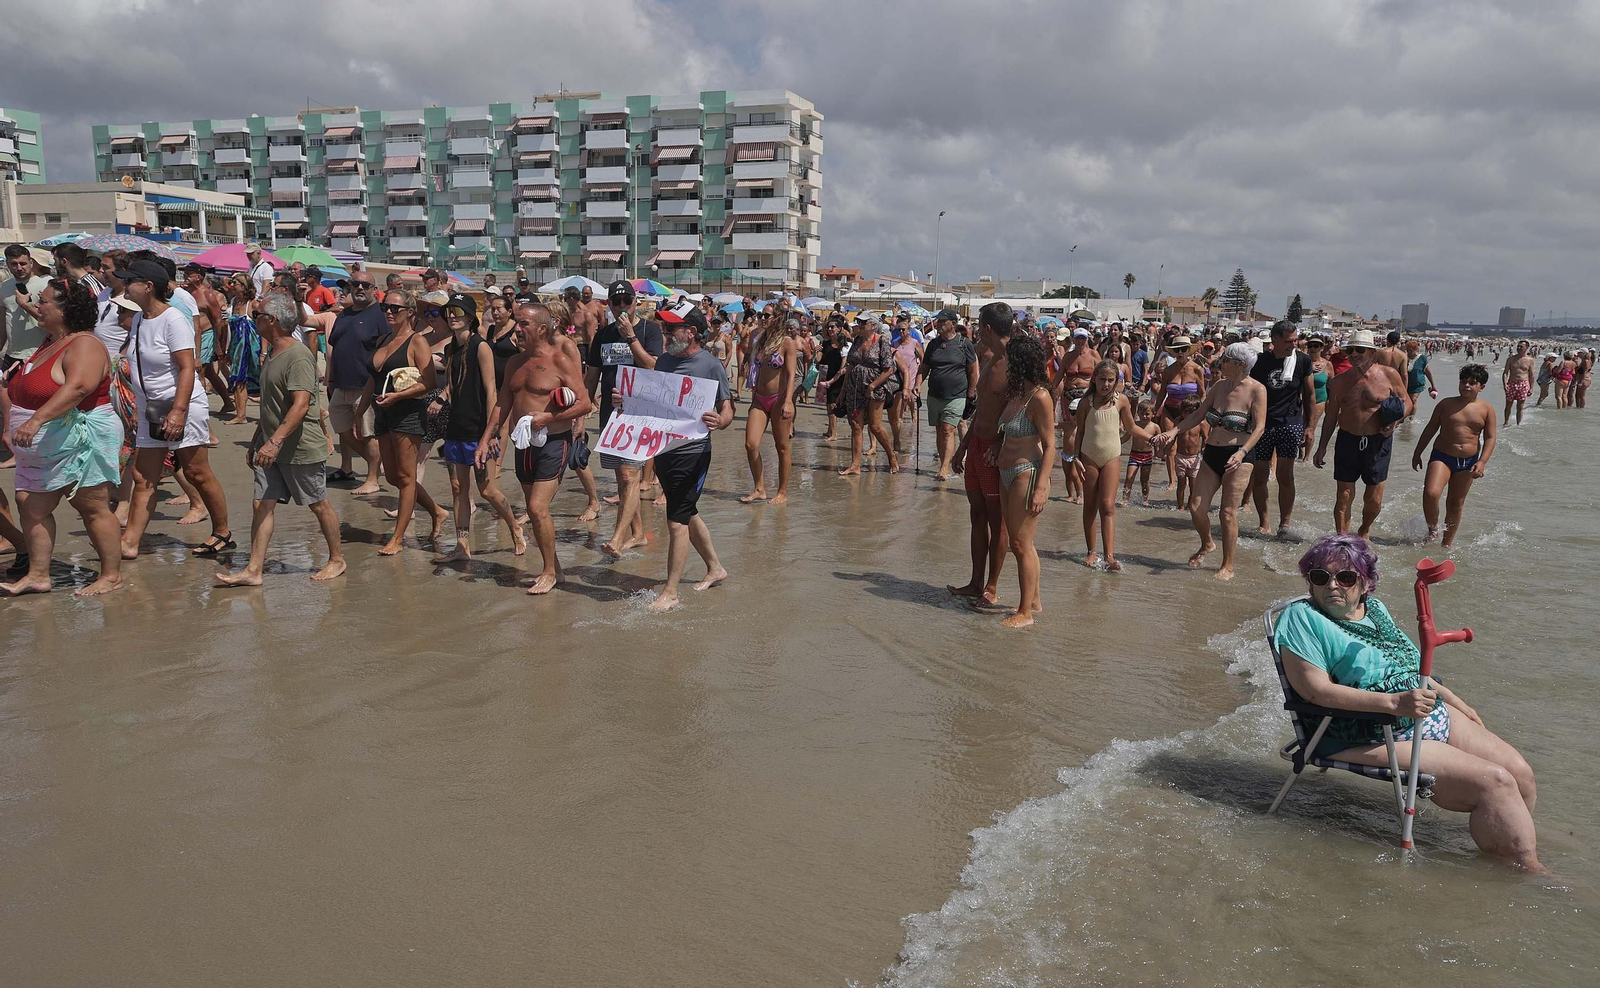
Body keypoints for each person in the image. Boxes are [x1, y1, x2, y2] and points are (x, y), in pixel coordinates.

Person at [1275, 534, 1541, 870]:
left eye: (1345, 577)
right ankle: (1526, 874)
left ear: (1365, 582)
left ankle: (1510, 850)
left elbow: (1410, 668)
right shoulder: (1301, 619)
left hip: (1418, 710)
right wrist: (1392, 704)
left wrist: (1454, 700)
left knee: (1520, 773)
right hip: (1364, 732)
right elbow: (1316, 692)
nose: (1332, 585)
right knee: (1496, 783)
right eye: (1320, 576)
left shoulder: (1375, 609)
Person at [0, 278, 124, 596]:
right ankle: (38, 575)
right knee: (30, 504)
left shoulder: (84, 343)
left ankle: (111, 575)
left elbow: (79, 387)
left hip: (80, 437)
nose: (36, 306)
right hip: (44, 443)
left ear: (66, 309)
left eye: (43, 301)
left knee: (91, 505)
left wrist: (35, 421)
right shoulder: (51, 340)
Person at [214, 293, 345, 586]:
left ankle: (337, 559)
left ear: (271, 320)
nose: (253, 319)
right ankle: (254, 569)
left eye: (257, 315)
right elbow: (271, 404)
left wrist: (273, 442)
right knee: (261, 503)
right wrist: (257, 439)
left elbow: (301, 405)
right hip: (271, 443)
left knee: (318, 503)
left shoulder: (298, 356)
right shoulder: (273, 353)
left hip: (299, 445)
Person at [116, 259, 233, 559]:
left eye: (129, 281)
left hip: (183, 405)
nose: (124, 285)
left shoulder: (173, 320)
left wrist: (178, 412)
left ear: (148, 286)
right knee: (144, 476)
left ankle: (222, 532)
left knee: (196, 472)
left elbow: (187, 369)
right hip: (151, 409)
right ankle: (129, 542)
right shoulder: (139, 319)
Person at [477, 301, 592, 595]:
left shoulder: (560, 360)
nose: (517, 329)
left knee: (537, 508)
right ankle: (555, 569)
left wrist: (548, 418)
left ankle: (549, 572)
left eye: (523, 324)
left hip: (554, 441)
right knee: (533, 508)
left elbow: (584, 403)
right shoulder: (515, 363)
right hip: (524, 442)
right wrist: (486, 438)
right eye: (516, 323)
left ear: (542, 329)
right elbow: (502, 403)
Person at [645, 299, 733, 612]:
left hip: (693, 452)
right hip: (663, 449)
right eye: (664, 327)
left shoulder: (710, 364)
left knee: (676, 520)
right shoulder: (664, 362)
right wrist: (624, 400)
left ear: (691, 332)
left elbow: (727, 408)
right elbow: (652, 402)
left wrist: (720, 421)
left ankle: (670, 592)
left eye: (672, 327)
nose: (666, 333)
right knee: (686, 511)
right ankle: (715, 568)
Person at [1154, 342, 1267, 580]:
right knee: (1196, 506)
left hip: (1239, 455)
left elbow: (1259, 428)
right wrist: (1173, 432)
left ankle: (1228, 566)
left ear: (1240, 364)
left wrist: (1242, 452)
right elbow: (1198, 414)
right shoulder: (1218, 386)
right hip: (1212, 452)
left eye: (1226, 359)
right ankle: (1207, 543)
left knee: (1227, 512)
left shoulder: (1257, 390)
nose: (1221, 362)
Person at [355, 289, 447, 555]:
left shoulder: (416, 341)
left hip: (407, 412)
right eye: (385, 307)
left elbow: (429, 383)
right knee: (393, 476)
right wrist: (360, 412)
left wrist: (398, 396)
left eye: (395, 308)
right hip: (382, 412)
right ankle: (436, 511)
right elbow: (372, 379)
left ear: (409, 313)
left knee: (406, 477)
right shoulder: (384, 339)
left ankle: (397, 538)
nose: (389, 312)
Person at [432, 294, 523, 562]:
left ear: (471, 317)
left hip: (478, 429)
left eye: (458, 312)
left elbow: (491, 390)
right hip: (456, 426)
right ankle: (462, 547)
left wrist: (491, 433)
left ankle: (514, 527)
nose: (452, 316)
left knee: (487, 490)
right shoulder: (452, 347)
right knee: (458, 488)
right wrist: (441, 399)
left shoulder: (481, 346)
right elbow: (454, 383)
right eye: (449, 312)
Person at [584, 280, 662, 557]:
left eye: (626, 301)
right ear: (609, 304)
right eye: (615, 302)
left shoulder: (649, 330)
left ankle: (617, 539)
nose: (621, 307)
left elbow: (653, 367)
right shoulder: (603, 335)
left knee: (630, 476)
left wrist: (630, 337)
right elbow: (591, 377)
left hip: (640, 415)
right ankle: (638, 534)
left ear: (635, 302)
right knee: (622, 477)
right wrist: (581, 413)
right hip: (611, 415)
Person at [1314, 329, 1411, 537]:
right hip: (1347, 440)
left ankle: (1364, 531)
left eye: (1360, 350)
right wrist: (1321, 447)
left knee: (1374, 499)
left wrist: (1395, 423)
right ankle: (1343, 540)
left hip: (1378, 442)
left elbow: (1407, 403)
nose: (1354, 354)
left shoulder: (1389, 375)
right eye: (1350, 350)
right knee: (1344, 495)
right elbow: (1331, 417)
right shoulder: (1339, 382)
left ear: (1372, 352)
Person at [948, 302, 1013, 606]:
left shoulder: (1014, 363)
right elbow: (983, 410)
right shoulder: (989, 359)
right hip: (976, 446)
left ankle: (992, 587)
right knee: (977, 515)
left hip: (994, 451)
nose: (976, 331)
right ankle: (975, 582)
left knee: (997, 521)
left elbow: (1021, 411)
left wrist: (1001, 444)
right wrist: (962, 446)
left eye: (979, 326)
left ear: (987, 328)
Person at [991, 335, 1055, 626]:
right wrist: (995, 448)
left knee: (1019, 544)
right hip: (1006, 471)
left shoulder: (1040, 397)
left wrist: (1041, 487)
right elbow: (1005, 431)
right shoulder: (1016, 392)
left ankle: (1024, 613)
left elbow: (1051, 445)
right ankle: (1035, 602)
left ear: (1020, 362)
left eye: (1009, 359)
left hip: (1027, 473)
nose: (1005, 364)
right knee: (1023, 543)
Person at [1410, 363, 1496, 548]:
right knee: (1431, 493)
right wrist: (1417, 452)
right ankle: (1433, 529)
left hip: (1469, 462)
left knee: (1456, 503)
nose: (1467, 385)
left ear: (1481, 387)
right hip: (1442, 456)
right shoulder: (1446, 404)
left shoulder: (1486, 409)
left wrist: (1482, 461)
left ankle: (1446, 544)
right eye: (1463, 381)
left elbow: (1490, 437)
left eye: (1472, 383)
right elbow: (1431, 429)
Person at [1246, 320, 1315, 537]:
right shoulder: (1259, 362)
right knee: (1259, 476)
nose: (1293, 345)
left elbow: (1310, 395)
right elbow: (1248, 392)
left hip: (1290, 423)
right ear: (1274, 340)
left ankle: (1285, 524)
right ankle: (1264, 523)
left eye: (1295, 340)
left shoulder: (1302, 360)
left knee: (1285, 476)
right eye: (1288, 341)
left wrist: (1310, 427)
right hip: (1262, 425)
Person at [1070, 360, 1138, 571]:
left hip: (1111, 457)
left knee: (1107, 506)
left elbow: (1131, 428)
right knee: (1090, 505)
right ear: (1094, 379)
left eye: (1110, 380)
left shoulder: (1121, 401)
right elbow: (1080, 432)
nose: (1106, 384)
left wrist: (1155, 438)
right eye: (1102, 379)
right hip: (1088, 457)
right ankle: (1091, 552)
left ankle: (1109, 556)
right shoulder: (1085, 403)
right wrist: (1075, 458)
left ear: (1116, 381)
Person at [324, 271, 385, 495]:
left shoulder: (380, 315)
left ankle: (372, 479)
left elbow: (386, 350)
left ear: (374, 290)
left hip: (366, 385)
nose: (359, 288)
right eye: (355, 284)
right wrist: (331, 379)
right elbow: (335, 348)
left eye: (365, 285)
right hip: (341, 384)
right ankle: (378, 464)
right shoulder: (344, 314)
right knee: (342, 428)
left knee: (369, 434)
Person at [741, 307, 798, 503]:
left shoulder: (787, 342)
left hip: (779, 399)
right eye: (760, 315)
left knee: (781, 447)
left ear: (777, 318)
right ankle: (759, 488)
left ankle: (782, 492)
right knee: (751, 444)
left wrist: (788, 401)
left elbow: (791, 374)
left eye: (766, 315)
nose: (762, 318)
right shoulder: (761, 340)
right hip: (759, 398)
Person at [917, 309, 978, 480]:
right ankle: (943, 462)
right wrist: (916, 384)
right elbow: (924, 367)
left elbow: (973, 371)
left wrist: (971, 392)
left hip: (957, 395)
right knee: (939, 430)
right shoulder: (933, 344)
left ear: (953, 323)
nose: (938, 325)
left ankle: (945, 467)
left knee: (947, 429)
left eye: (942, 322)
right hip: (934, 394)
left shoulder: (964, 344)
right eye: (938, 321)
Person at [837, 313, 900, 476]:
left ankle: (891, 456)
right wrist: (843, 391)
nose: (859, 324)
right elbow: (850, 365)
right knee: (855, 424)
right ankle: (855, 465)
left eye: (863, 322)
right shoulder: (857, 340)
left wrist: (872, 385)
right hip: (855, 386)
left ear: (873, 325)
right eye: (859, 322)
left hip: (876, 387)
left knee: (875, 426)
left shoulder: (882, 341)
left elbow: (889, 369)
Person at [1051, 326, 1100, 503]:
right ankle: (1073, 489)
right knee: (1070, 428)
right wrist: (1050, 392)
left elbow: (1102, 375)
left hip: (1086, 395)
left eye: (1082, 338)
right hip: (1069, 394)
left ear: (1087, 339)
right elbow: (1059, 376)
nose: (1080, 341)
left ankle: (1086, 464)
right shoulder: (1068, 356)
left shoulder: (1094, 355)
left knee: (1086, 429)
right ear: (1073, 339)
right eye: (1077, 338)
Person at [1171, 394, 1207, 514]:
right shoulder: (1178, 422)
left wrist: (1204, 448)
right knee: (1181, 484)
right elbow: (1173, 437)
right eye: (1185, 412)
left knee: (1193, 485)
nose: (1188, 415)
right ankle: (1180, 506)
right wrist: (1167, 450)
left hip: (1194, 458)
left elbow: (1206, 438)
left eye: (1191, 412)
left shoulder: (1201, 423)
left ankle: (1190, 505)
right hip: (1180, 457)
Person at [1120, 396, 1159, 506]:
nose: (1144, 416)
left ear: (1153, 414)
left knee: (1144, 480)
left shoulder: (1155, 427)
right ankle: (1125, 498)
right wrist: (1116, 442)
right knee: (1129, 477)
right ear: (1138, 413)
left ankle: (1145, 499)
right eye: (1142, 414)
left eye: (1147, 414)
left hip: (1147, 456)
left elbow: (1158, 442)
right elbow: (1126, 437)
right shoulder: (1134, 425)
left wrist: (1158, 452)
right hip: (1134, 455)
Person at [1500, 341, 1534, 424]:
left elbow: (1531, 375)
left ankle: (1518, 424)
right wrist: (1505, 384)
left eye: (1521, 346)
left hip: (1523, 384)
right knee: (1508, 405)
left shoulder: (1530, 360)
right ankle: (1506, 422)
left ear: (1526, 348)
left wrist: (1531, 388)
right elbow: (1505, 373)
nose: (1519, 348)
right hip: (1511, 383)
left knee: (1520, 406)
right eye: (1518, 346)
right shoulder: (1511, 359)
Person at [1404, 338, 1437, 416]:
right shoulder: (1404, 358)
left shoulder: (1422, 358)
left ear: (1415, 350)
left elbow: (1428, 372)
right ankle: (1405, 416)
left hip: (1418, 384)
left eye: (1410, 350)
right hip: (1406, 384)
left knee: (1413, 400)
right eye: (1407, 350)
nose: (1408, 352)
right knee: (1406, 401)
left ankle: (1411, 418)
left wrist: (1433, 385)